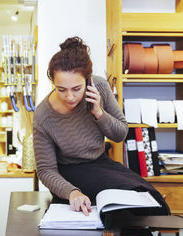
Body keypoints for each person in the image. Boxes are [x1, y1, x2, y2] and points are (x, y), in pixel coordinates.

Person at [33, 36, 170, 216]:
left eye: (76, 89)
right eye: (61, 89)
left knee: (152, 199)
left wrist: (99, 112)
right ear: (53, 83)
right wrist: (72, 192)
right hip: (66, 173)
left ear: (88, 80)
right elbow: (45, 170)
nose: (70, 97)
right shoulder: (43, 115)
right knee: (119, 211)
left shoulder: (99, 87)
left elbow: (120, 134)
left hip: (100, 163)